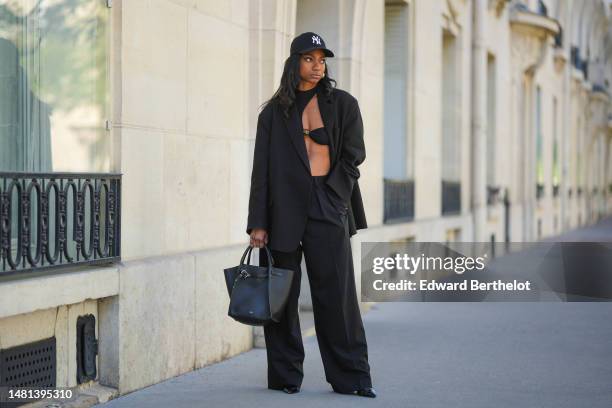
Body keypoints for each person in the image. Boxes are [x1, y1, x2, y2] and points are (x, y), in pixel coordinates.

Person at [246, 31, 376, 398]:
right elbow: (262, 171)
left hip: (327, 203)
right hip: (281, 210)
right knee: (281, 297)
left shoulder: (343, 104)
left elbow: (353, 156)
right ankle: (286, 376)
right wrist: (258, 222)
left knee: (337, 294)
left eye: (322, 59)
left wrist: (335, 197)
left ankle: (352, 377)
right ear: (294, 63)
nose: (317, 66)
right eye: (309, 59)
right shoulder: (273, 114)